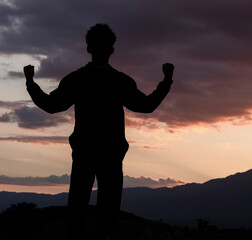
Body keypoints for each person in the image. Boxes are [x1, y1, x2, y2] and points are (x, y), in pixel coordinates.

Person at [23, 23, 174, 240]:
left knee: (75, 215)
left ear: (88, 49)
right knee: (108, 219)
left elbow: (51, 105)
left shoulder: (77, 78)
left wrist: (30, 82)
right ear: (111, 50)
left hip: (84, 153)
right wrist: (166, 80)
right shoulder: (120, 81)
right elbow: (146, 106)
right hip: (112, 155)